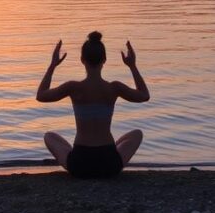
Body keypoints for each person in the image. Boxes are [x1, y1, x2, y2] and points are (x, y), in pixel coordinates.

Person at [36, 31, 150, 178]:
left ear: (82, 59)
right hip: (109, 164)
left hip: (79, 164)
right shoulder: (114, 88)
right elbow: (144, 95)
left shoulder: (73, 87)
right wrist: (132, 66)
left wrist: (53, 65)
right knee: (137, 134)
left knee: (49, 136)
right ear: (104, 60)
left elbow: (41, 95)